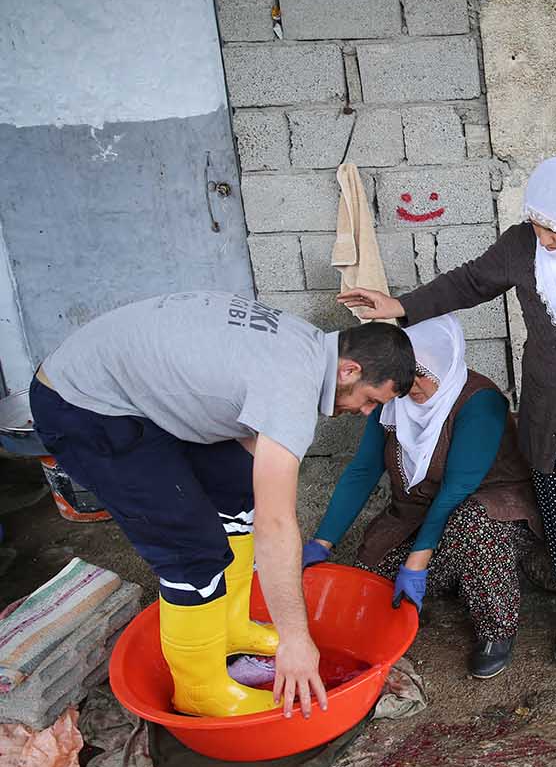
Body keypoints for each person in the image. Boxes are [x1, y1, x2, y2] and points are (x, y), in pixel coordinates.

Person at [339, 156, 556, 666]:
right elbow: (470, 282)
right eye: (538, 226)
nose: (544, 241)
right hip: (554, 412)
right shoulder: (522, 245)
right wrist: (401, 306)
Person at [29, 292, 415, 718]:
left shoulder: (305, 344)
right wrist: (295, 639)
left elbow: (257, 462)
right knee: (192, 548)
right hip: (83, 403)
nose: (365, 413)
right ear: (349, 369)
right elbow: (276, 524)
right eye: (371, 400)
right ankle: (200, 690)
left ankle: (230, 628)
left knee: (237, 484)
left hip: (131, 388)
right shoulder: (291, 386)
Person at [302, 315, 546, 679]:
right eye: (405, 377)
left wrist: (417, 561)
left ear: (444, 363)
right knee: (369, 580)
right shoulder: (391, 402)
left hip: (492, 512)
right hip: (419, 515)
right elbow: (362, 471)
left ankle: (497, 627)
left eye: (422, 374)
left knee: (471, 525)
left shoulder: (480, 401)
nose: (413, 386)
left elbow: (457, 489)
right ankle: (461, 580)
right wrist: (322, 541)